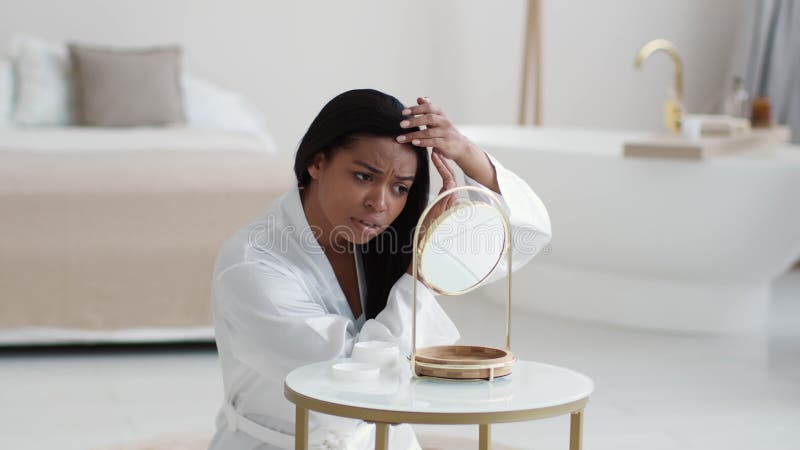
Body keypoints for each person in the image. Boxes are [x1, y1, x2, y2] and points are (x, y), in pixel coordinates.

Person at [208, 89, 551, 450]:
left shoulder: (389, 238)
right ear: (317, 162)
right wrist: (419, 274)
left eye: (400, 187)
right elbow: (352, 388)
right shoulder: (252, 266)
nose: (380, 203)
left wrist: (464, 150)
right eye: (363, 177)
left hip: (383, 440)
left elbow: (526, 235)